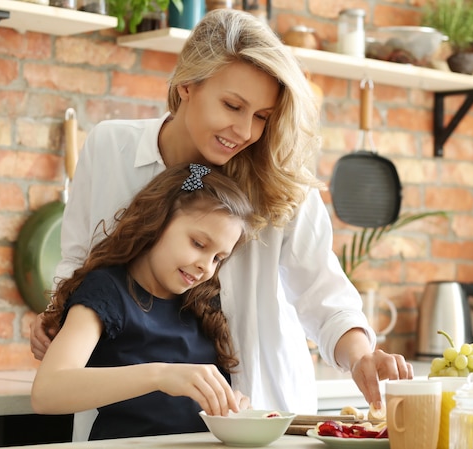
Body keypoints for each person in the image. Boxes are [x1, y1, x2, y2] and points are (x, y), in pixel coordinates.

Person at [30, 8, 413, 435]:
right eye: (232, 105)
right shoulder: (109, 147)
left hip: (260, 412)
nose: (246, 130)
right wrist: (57, 317)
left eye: (263, 116)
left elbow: (324, 296)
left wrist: (362, 357)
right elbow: (78, 264)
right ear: (187, 85)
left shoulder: (280, 182)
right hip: (131, 427)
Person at [31, 162, 255, 440]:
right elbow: (47, 392)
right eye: (198, 244)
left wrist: (229, 407)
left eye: (218, 258)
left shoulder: (203, 303)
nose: (206, 267)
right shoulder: (107, 290)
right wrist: (161, 376)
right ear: (158, 220)